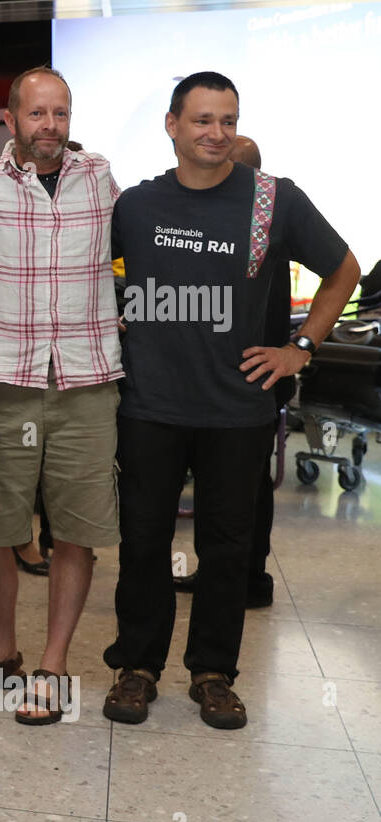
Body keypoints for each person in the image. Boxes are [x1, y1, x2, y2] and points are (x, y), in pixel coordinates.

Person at [107, 72, 358, 728]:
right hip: (150, 406)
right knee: (142, 540)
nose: (216, 133)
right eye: (202, 121)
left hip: (238, 409)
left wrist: (301, 345)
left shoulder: (275, 200)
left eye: (227, 120)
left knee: (227, 547)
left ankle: (214, 672)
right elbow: (90, 273)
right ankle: (136, 667)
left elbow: (345, 269)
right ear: (172, 126)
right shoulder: (135, 206)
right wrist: (117, 311)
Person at [0, 67, 123, 724]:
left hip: (85, 381)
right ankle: (3, 653)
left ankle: (53, 666)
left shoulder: (102, 180)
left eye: (60, 113)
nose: (50, 126)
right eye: (38, 114)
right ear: (11, 119)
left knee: (76, 533)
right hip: (3, 381)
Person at [173, 134, 288, 608]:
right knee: (237, 490)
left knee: (248, 492)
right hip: (235, 373)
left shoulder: (266, 216)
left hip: (258, 371)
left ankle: (248, 579)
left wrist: (295, 350)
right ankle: (235, 575)